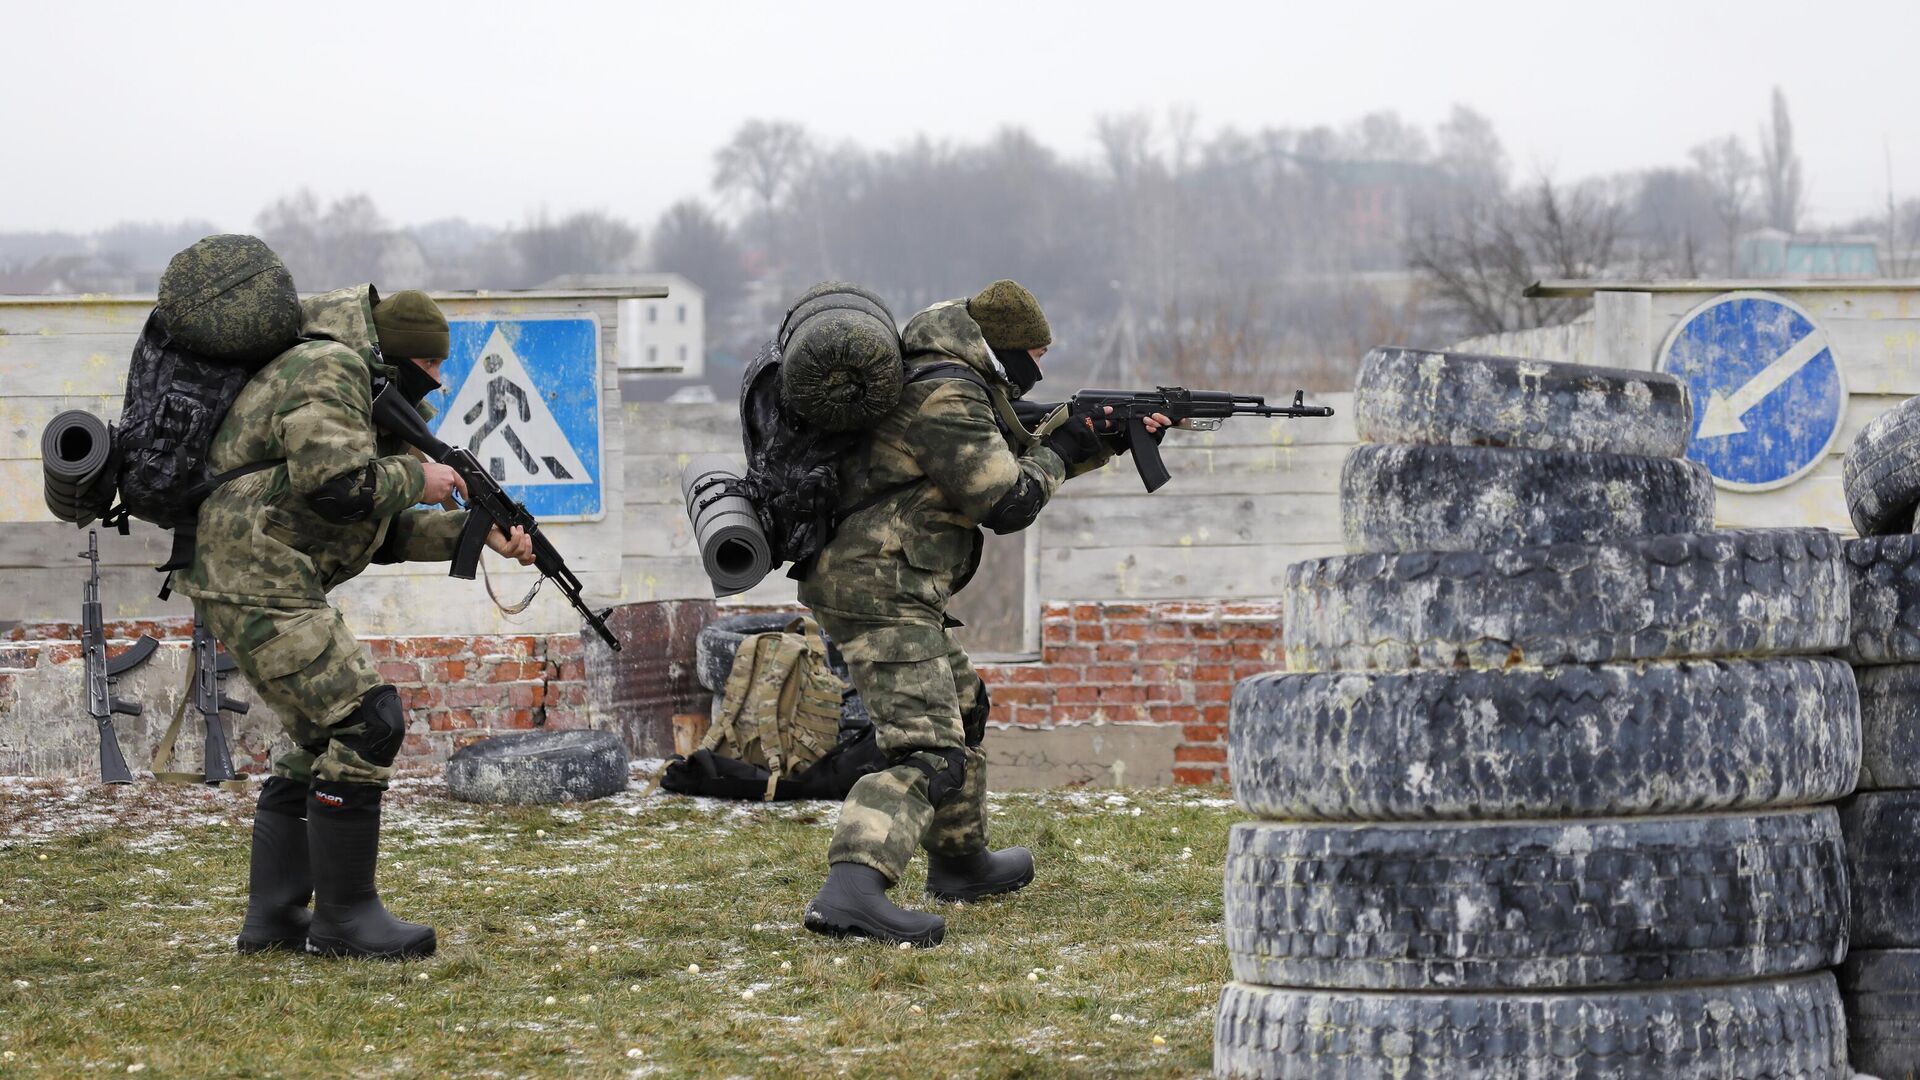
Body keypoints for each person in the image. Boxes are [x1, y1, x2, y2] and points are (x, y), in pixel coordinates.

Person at [170, 286, 535, 959]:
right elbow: (335, 485)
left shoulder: (355, 380)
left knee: (320, 736)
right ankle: (345, 920)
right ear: (402, 357)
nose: (439, 379)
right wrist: (415, 474)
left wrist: (476, 532)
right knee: (368, 720)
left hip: (260, 569)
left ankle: (276, 917)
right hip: (255, 571)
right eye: (432, 365)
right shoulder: (330, 369)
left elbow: (375, 528)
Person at [799, 280, 1167, 947]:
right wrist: (1066, 443)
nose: (1040, 368)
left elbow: (1003, 462)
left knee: (962, 706)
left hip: (892, 581)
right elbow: (1007, 501)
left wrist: (1093, 438)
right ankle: (852, 888)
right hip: (876, 588)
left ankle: (961, 861)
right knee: (930, 749)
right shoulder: (948, 395)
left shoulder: (953, 383)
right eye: (1034, 352)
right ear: (1001, 345)